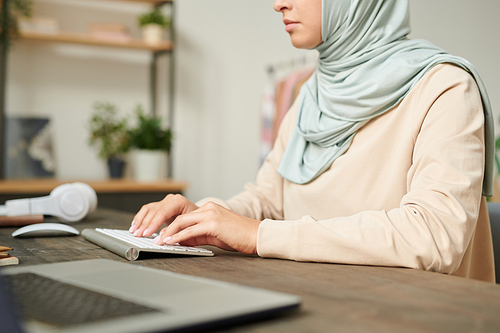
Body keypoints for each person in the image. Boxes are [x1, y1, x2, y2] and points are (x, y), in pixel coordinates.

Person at [129, 0, 495, 282]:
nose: (278, 4)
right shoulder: (312, 93)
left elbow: (434, 237)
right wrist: (205, 216)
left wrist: (260, 236)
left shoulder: (445, 88)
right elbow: (268, 199)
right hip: (318, 299)